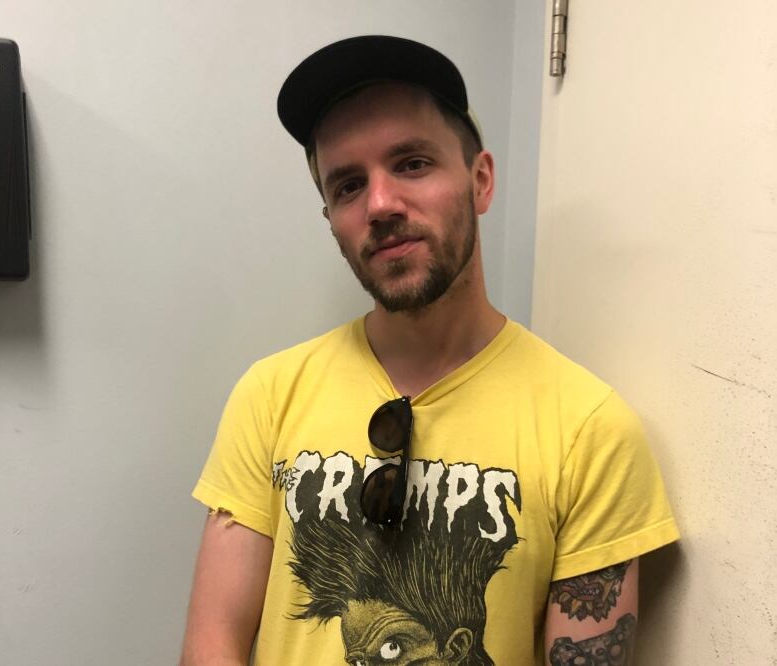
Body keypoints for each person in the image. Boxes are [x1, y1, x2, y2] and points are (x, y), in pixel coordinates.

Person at [180, 35, 679, 666]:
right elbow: (212, 644)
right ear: (331, 217)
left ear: (480, 181)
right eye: (348, 185)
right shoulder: (270, 394)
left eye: (412, 163)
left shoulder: (589, 430)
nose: (381, 204)